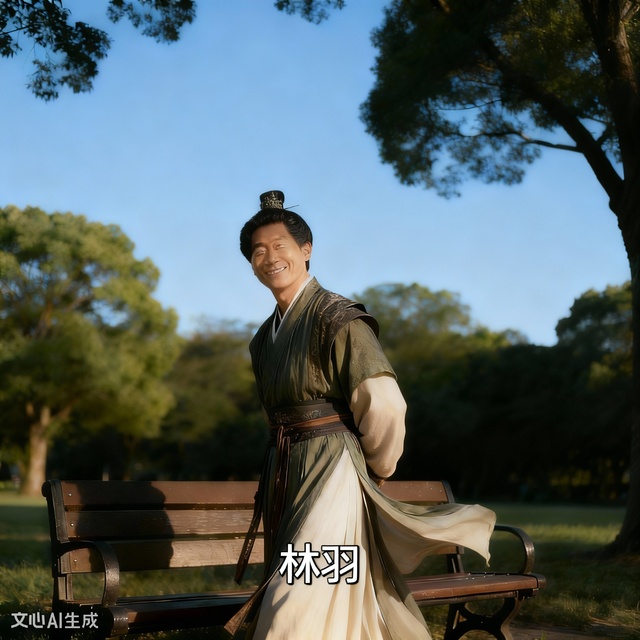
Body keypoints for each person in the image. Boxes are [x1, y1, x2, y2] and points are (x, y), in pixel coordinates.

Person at [225, 190, 496, 640]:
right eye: (257, 251)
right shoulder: (262, 340)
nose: (269, 258)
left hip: (333, 475)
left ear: (306, 250)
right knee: (329, 594)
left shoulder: (338, 317)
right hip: (285, 475)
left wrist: (376, 467)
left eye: (279, 245)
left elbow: (384, 403)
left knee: (299, 593)